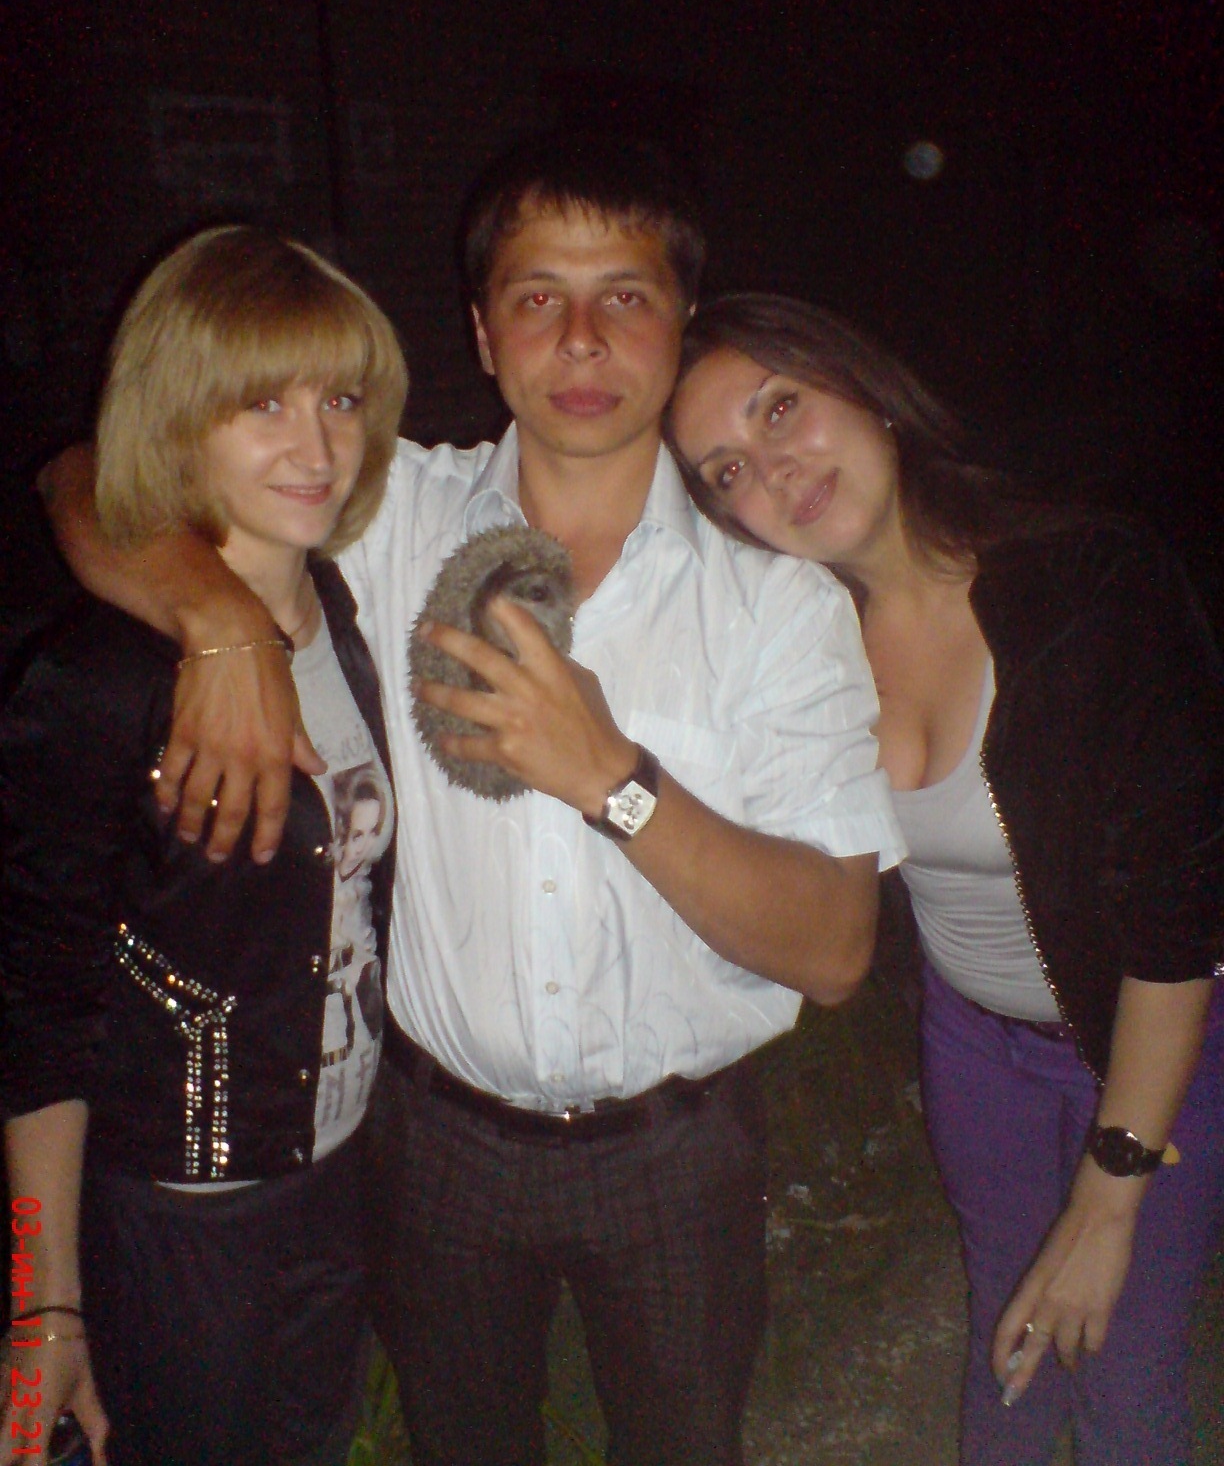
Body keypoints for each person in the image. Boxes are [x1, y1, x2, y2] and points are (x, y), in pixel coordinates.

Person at [39, 135, 905, 1466]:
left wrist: (611, 779)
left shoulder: (777, 606)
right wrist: (217, 621)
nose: (581, 336)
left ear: (679, 326)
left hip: (678, 1154)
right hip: (431, 1142)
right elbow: (89, 478)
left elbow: (838, 949)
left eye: (624, 295)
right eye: (537, 295)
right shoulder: (390, 511)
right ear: (486, 336)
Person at [665, 292, 1224, 1466]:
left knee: (1123, 1373)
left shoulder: (1091, 582)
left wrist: (1110, 1192)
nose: (772, 469)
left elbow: (1181, 917)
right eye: (727, 472)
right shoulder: (797, 650)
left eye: (780, 408)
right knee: (1007, 1345)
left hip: (1154, 1038)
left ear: (863, 388)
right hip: (973, 1046)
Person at [1, 226, 406, 1466]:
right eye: (261, 404)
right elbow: (36, 1003)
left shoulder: (347, 612)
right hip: (175, 1215)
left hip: (340, 1174)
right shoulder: (103, 680)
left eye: (340, 400)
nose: (316, 447)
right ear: (180, 421)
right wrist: (43, 1299)